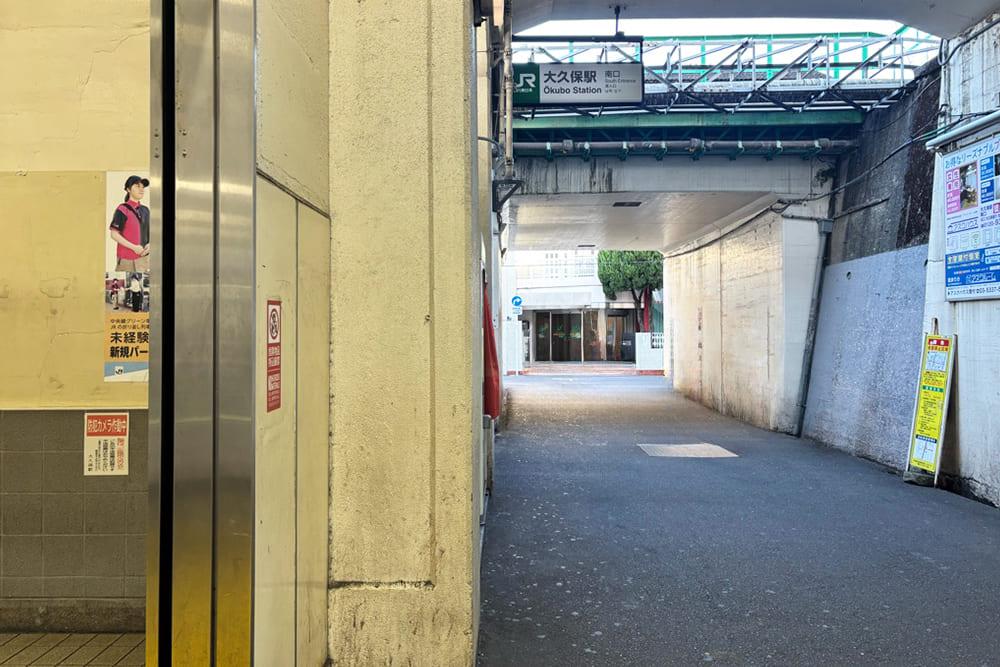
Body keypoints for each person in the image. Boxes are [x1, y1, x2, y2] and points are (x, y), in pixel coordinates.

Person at [110, 175, 151, 272]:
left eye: (142, 187)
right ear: (128, 189)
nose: (141, 189)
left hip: (144, 260)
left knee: (142, 287)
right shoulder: (122, 209)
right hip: (126, 261)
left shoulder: (145, 210)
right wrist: (134, 247)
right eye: (137, 186)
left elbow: (150, 233)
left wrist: (150, 244)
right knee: (125, 287)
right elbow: (114, 234)